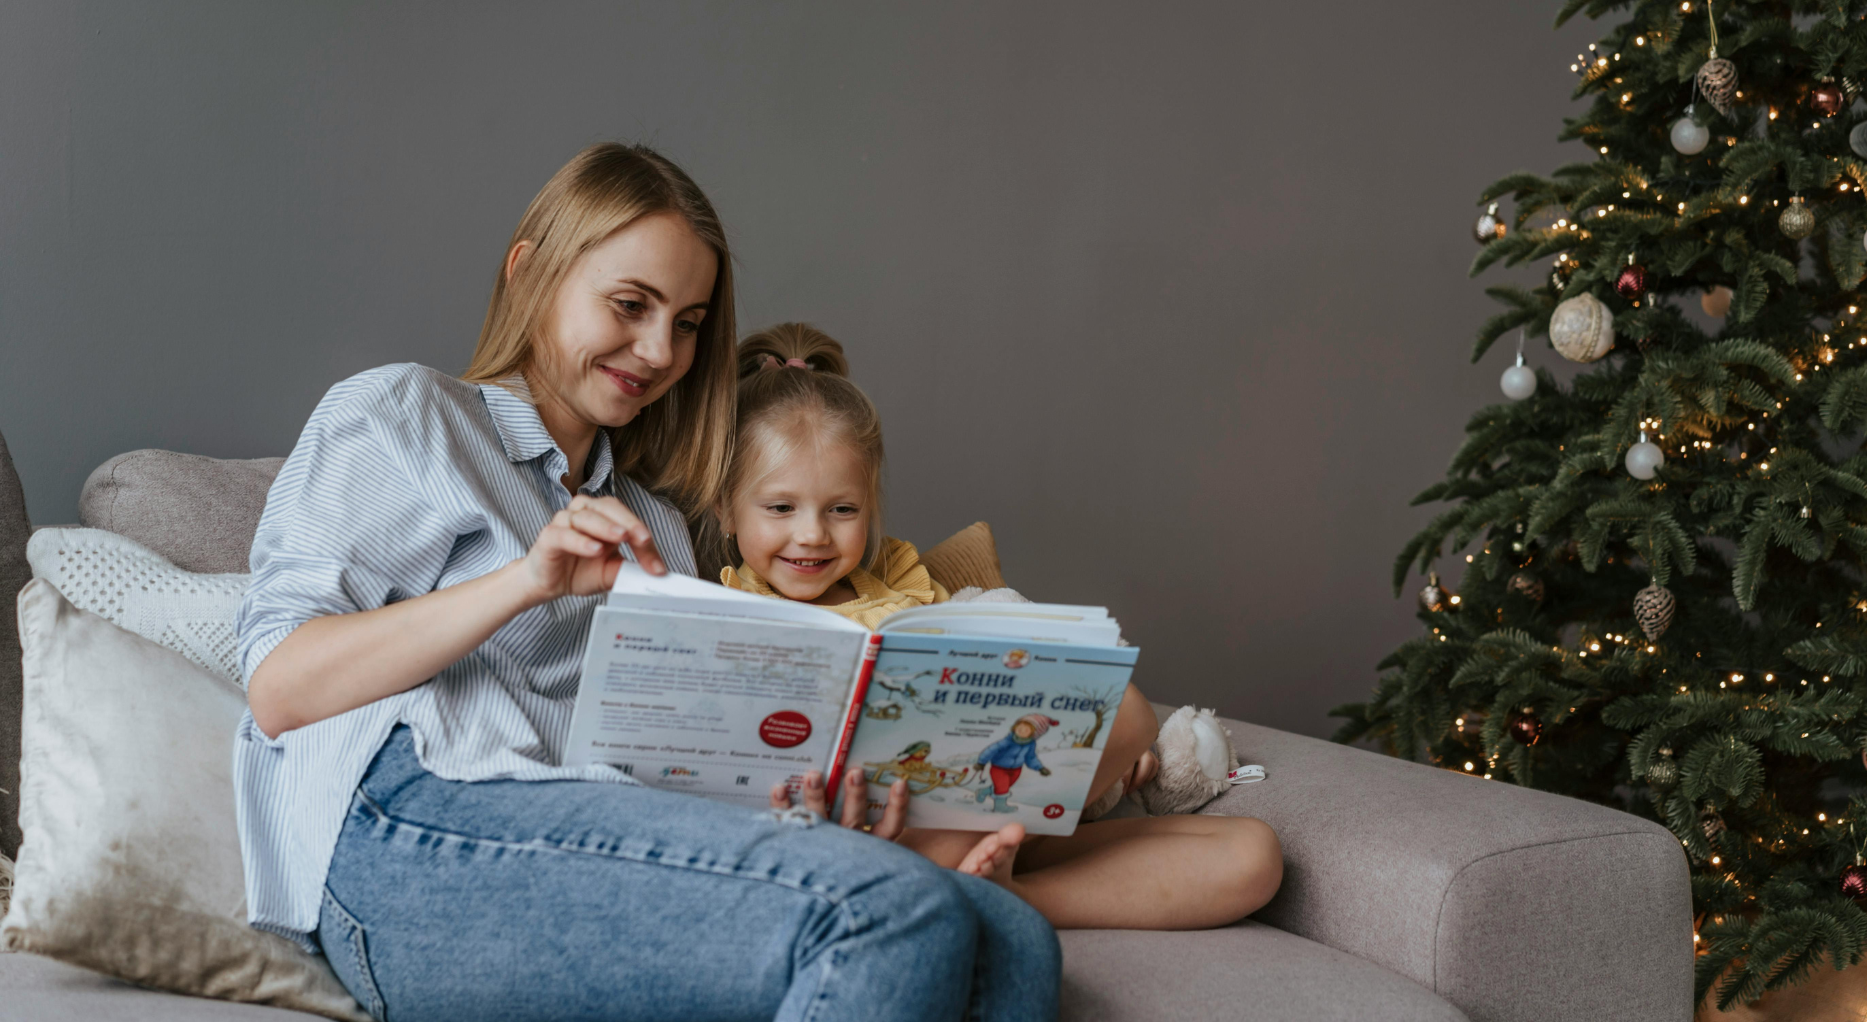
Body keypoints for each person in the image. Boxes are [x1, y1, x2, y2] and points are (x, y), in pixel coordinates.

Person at [233, 144, 1059, 1022]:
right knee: (884, 911)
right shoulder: (409, 415)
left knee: (1009, 938)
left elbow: (675, 767)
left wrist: (812, 815)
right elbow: (281, 687)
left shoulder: (657, 524)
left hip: (587, 828)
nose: (661, 350)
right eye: (630, 306)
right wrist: (527, 580)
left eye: (690, 322)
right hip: (411, 828)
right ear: (530, 272)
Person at [717, 323, 1285, 930]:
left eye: (842, 509)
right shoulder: (728, 613)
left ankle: (997, 897)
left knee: (1253, 852)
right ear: (725, 506)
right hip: (873, 843)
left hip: (993, 815)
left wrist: (1109, 755)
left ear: (871, 504)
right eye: (780, 507)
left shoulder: (910, 589)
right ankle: (913, 885)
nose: (812, 533)